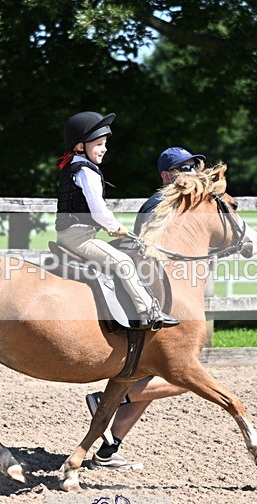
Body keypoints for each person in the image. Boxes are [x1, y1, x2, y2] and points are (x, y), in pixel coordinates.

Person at [86, 146, 205, 470]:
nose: (193, 171)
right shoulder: (161, 204)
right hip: (151, 295)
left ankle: (109, 450)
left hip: (159, 290)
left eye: (195, 165)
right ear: (167, 175)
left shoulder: (177, 203)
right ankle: (114, 399)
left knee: (152, 376)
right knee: (180, 379)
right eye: (185, 167)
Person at [56, 111, 179, 329]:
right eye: (99, 144)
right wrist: (118, 228)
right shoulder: (87, 171)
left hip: (75, 234)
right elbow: (99, 212)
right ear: (80, 146)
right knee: (123, 262)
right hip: (79, 238)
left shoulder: (74, 167)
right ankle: (148, 311)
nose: (104, 149)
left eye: (104, 143)